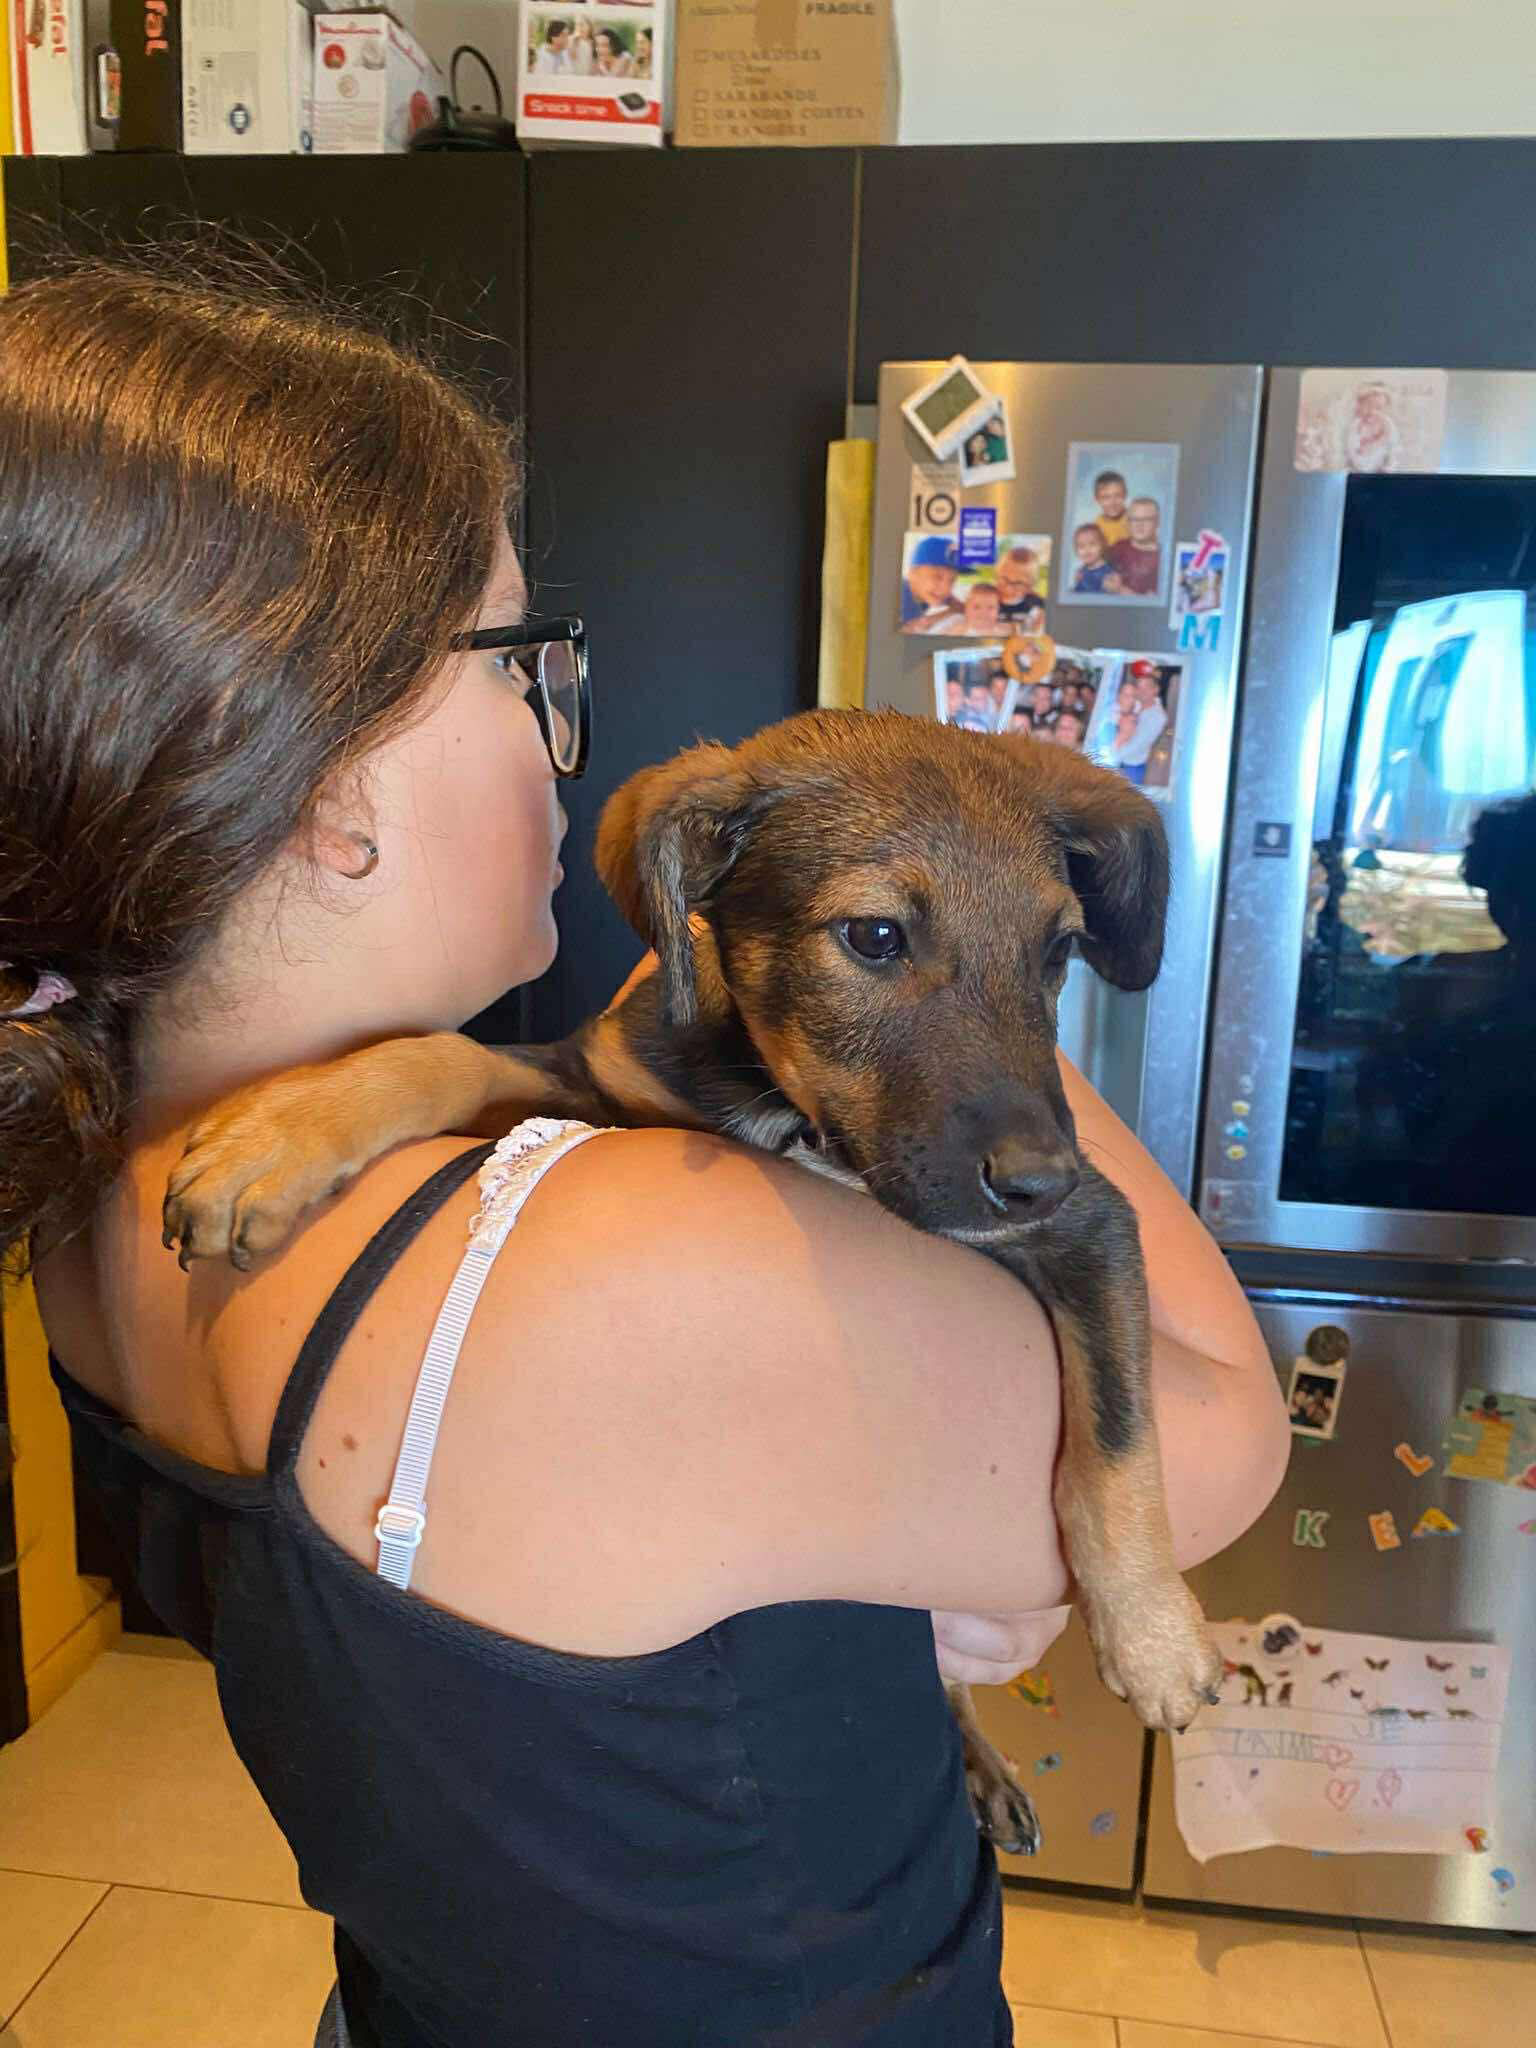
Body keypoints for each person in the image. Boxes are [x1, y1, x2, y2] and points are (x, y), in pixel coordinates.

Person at [3, 251, 1287, 2048]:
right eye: (521, 662)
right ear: (306, 768)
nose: (561, 738)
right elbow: (1224, 1435)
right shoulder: (622, 1267)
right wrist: (998, 941)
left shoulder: (96, 1182)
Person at [1113, 661, 1169, 785]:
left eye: (1147, 687)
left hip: (1130, 768)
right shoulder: (1137, 703)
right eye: (1139, 687)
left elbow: (1136, 746)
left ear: (1156, 690)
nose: (1142, 691)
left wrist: (1108, 757)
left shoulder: (1157, 717)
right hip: (1119, 759)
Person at [900, 532, 962, 629]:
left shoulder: (924, 592)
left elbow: (951, 601)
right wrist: (951, 611)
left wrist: (956, 605)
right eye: (937, 577)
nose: (946, 588)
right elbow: (912, 627)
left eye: (952, 581)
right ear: (913, 574)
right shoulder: (903, 597)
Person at [1105, 497, 1162, 598]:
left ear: (1157, 522)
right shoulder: (1118, 547)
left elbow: (1152, 600)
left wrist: (1120, 590)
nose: (1139, 525)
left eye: (1146, 519)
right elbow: (1099, 570)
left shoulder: (1162, 557)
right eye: (1134, 519)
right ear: (1128, 523)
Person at [994, 546, 1046, 628]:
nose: (1008, 588)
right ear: (997, 573)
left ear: (1030, 585)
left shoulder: (1038, 604)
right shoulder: (986, 597)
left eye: (1018, 583)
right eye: (1004, 579)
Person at [1070, 522, 1118, 595]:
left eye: (1092, 544)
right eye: (1081, 546)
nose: (1087, 550)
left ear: (1102, 545)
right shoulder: (1081, 572)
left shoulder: (1109, 573)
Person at [1091, 469, 1129, 547]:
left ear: (1125, 495)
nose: (1112, 503)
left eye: (1117, 495)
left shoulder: (1134, 518)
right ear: (1097, 499)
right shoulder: (1097, 527)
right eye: (1106, 497)